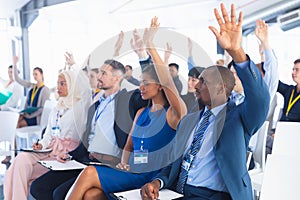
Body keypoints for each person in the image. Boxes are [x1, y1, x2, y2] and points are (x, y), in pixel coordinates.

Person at [140, 3, 270, 200]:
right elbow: (173, 162)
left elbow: (260, 97)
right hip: (177, 193)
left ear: (219, 88)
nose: (196, 85)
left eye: (203, 81)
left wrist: (237, 52)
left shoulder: (240, 118)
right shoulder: (190, 120)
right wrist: (157, 183)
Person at [65, 16, 187, 200]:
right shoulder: (141, 113)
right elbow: (129, 145)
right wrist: (123, 163)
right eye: (141, 83)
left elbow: (167, 80)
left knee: (89, 173)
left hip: (150, 177)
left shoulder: (173, 114)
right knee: (91, 195)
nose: (141, 87)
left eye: (146, 83)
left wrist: (150, 45)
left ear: (160, 85)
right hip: (132, 171)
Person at [30, 58, 149, 200]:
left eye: (104, 73)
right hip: (86, 160)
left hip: (110, 164)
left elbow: (148, 90)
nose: (99, 76)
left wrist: (143, 57)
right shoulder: (95, 106)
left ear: (117, 78)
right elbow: (87, 139)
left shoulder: (127, 99)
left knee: (59, 193)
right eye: (99, 72)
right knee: (38, 187)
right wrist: (70, 155)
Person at [4, 61, 91, 200]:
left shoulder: (80, 107)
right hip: (49, 150)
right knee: (20, 160)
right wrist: (41, 145)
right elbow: (48, 135)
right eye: (58, 83)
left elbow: (87, 89)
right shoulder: (57, 108)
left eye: (63, 83)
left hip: (66, 154)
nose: (58, 87)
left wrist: (74, 66)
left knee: (23, 172)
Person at [13, 56, 51, 128]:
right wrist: (15, 64)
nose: (34, 76)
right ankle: (11, 139)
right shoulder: (31, 86)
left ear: (42, 74)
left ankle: (12, 139)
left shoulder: (45, 90)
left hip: (34, 118)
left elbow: (41, 109)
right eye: (33, 74)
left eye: (36, 74)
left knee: (18, 124)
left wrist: (29, 116)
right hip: (27, 114)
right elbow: (17, 79)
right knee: (14, 122)